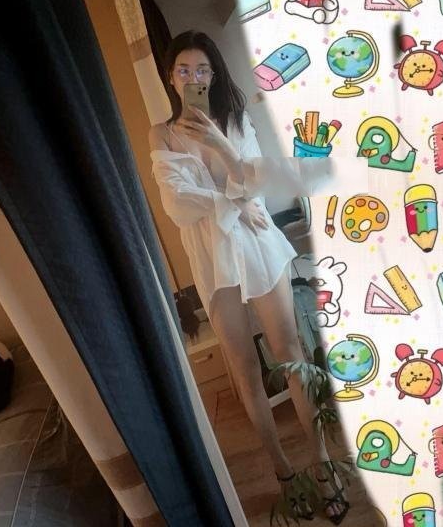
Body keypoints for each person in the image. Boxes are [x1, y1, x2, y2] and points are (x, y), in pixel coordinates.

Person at [148, 30, 349, 523]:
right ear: (170, 77)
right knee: (244, 369)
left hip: (259, 247)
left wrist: (220, 146)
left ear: (214, 75)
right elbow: (177, 205)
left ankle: (322, 462)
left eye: (202, 69)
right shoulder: (162, 135)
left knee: (291, 353)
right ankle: (283, 471)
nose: (192, 78)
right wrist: (235, 202)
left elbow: (253, 179)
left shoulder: (236, 120)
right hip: (212, 260)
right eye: (183, 70)